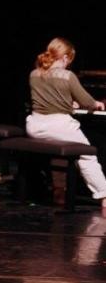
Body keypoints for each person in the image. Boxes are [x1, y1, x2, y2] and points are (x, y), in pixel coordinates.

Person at [26, 37, 106, 206]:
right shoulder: (67, 76)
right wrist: (97, 104)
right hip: (58, 126)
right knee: (87, 155)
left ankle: (59, 191)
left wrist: (68, 103)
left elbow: (48, 98)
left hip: (35, 126)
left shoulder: (34, 74)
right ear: (65, 57)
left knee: (60, 151)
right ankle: (104, 195)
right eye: (70, 60)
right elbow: (87, 102)